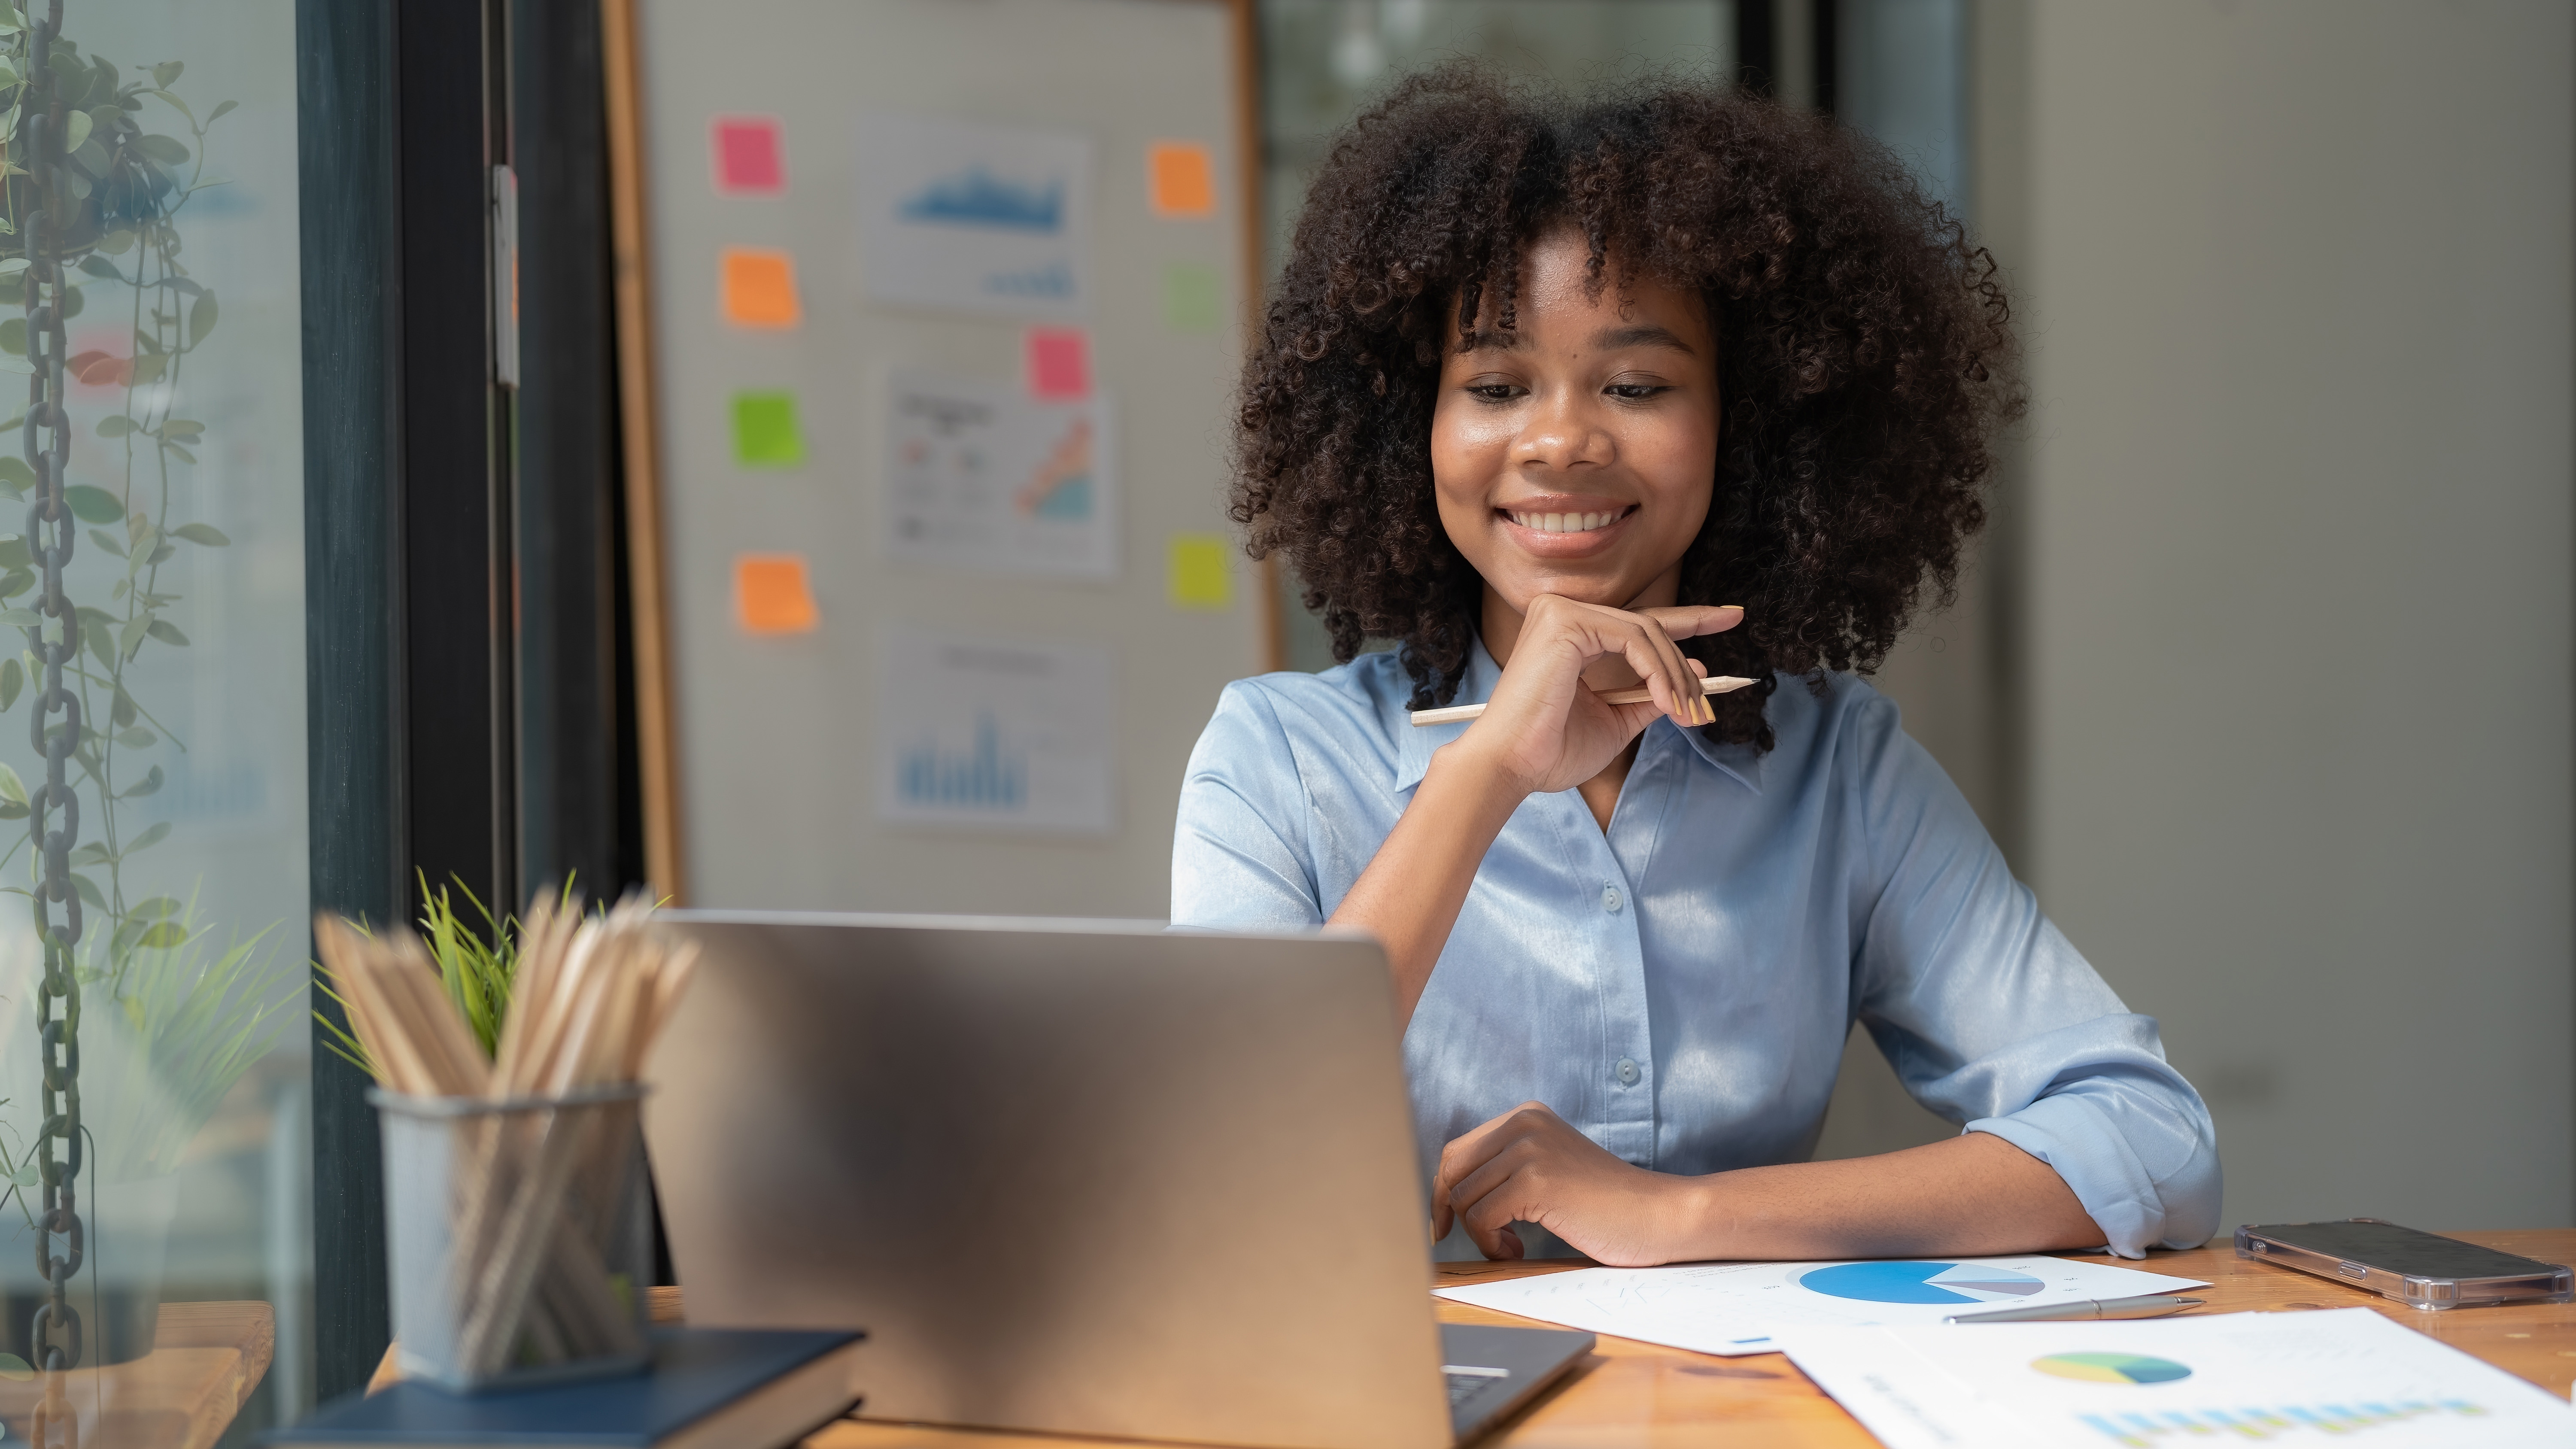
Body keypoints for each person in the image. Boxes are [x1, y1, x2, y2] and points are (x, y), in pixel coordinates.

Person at [1173, 67, 2218, 1266]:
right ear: (1413, 426)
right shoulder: (1273, 761)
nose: (1562, 439)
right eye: (1496, 386)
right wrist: (1491, 770)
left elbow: (2152, 1141)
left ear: (1749, 423)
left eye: (1637, 385)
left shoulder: (1842, 769)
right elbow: (1213, 1153)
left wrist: (1676, 1215)